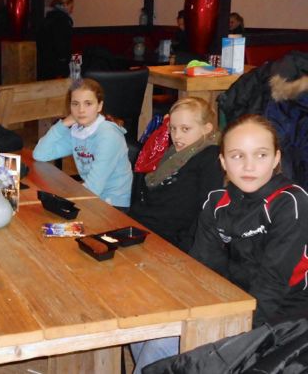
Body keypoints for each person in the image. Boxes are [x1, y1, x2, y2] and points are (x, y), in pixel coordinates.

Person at [132, 114, 308, 373]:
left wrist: (227, 335)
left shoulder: (290, 202)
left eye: (261, 155)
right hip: (233, 302)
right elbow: (202, 272)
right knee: (147, 326)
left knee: (161, 347)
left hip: (285, 317)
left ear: (276, 159)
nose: (249, 166)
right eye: (237, 156)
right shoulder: (216, 203)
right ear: (223, 161)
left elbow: (272, 285)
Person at [129, 97, 223, 252]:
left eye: (185, 129)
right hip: (146, 227)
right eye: (173, 128)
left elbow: (204, 211)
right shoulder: (171, 154)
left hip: (172, 241)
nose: (177, 136)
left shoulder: (211, 159)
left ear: (206, 128)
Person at [33, 78, 132, 209]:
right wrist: (63, 124)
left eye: (88, 104)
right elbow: (40, 154)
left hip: (113, 203)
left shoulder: (108, 135)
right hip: (92, 196)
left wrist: (65, 198)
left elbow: (93, 187)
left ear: (99, 106)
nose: (81, 110)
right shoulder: (79, 131)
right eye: (75, 104)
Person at [37, 0, 74, 80]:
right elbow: (61, 44)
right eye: (71, 7)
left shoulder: (48, 18)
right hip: (58, 62)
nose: (72, 10)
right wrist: (63, 61)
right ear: (64, 5)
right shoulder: (62, 20)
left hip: (45, 61)